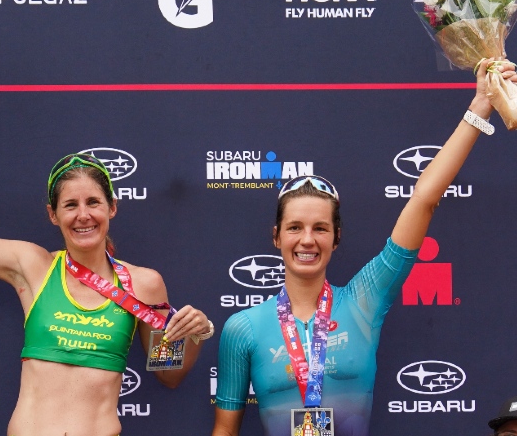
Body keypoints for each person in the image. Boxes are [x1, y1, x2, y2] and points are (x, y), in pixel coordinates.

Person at [212, 60, 513, 436]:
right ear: (276, 237)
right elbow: (224, 430)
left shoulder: (362, 301)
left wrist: (480, 107)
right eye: (295, 228)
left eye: (320, 228)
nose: (307, 240)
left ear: (336, 238)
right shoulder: (242, 329)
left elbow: (424, 199)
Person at [0, 151, 215, 435]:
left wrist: (194, 335)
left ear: (112, 207)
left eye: (93, 202)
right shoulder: (34, 267)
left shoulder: (143, 284)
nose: (83, 215)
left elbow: (169, 375)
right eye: (70, 205)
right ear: (53, 214)